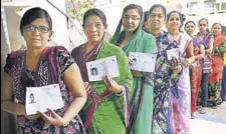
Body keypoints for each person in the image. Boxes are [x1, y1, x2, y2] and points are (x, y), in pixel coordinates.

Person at [1, 7, 87, 133]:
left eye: (43, 29)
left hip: (63, 129)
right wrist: (23, 110)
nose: (36, 33)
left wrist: (64, 119)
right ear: (22, 31)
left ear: (50, 34)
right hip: (29, 129)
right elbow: (4, 102)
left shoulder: (60, 56)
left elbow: (80, 95)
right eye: (30, 27)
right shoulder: (14, 61)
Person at [71, 8, 133, 134]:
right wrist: (78, 87)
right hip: (83, 112)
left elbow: (128, 82)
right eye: (89, 25)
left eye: (98, 25)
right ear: (83, 28)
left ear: (105, 27)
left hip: (111, 113)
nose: (93, 29)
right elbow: (68, 81)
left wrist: (118, 88)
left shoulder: (116, 53)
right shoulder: (76, 53)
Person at [110, 4, 157, 134]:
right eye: (126, 17)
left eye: (134, 18)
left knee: (139, 126)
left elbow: (147, 69)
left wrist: (123, 64)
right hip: (118, 90)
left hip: (140, 90)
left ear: (141, 20)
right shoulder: (114, 40)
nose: (130, 21)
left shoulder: (148, 39)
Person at [148, 4, 182, 134]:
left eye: (160, 16)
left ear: (164, 19)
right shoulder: (140, 39)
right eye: (153, 15)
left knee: (158, 127)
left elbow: (176, 73)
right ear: (147, 18)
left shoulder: (170, 42)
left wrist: (176, 70)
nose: (156, 18)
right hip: (142, 92)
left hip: (161, 94)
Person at [166, 10, 196, 134]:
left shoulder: (186, 38)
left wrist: (188, 61)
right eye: (171, 19)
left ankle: (182, 130)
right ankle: (169, 129)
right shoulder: (162, 37)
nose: (174, 21)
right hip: (165, 76)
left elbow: (192, 56)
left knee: (182, 105)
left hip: (181, 77)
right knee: (167, 105)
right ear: (166, 22)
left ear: (180, 22)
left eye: (177, 19)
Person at [185, 21, 205, 119]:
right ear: (184, 28)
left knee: (194, 89)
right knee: (183, 89)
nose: (189, 28)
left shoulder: (198, 40)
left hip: (195, 68)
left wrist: (193, 58)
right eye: (187, 26)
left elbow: (203, 54)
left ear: (194, 28)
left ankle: (192, 110)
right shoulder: (182, 38)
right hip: (183, 67)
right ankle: (183, 110)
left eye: (191, 26)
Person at [195, 18, 214, 113]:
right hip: (197, 62)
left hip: (206, 63)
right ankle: (195, 104)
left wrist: (199, 50)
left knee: (204, 84)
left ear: (207, 26)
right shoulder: (195, 36)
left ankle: (204, 105)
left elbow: (210, 50)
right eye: (200, 25)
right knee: (195, 84)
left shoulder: (210, 36)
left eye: (204, 25)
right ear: (198, 26)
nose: (202, 27)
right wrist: (201, 50)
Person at [209, 23, 226, 106]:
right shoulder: (208, 37)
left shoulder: (224, 39)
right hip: (207, 62)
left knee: (217, 81)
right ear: (211, 29)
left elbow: (221, 50)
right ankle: (208, 99)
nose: (216, 29)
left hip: (218, 63)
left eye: (218, 28)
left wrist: (210, 48)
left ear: (221, 30)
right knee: (207, 81)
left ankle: (216, 99)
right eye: (214, 28)